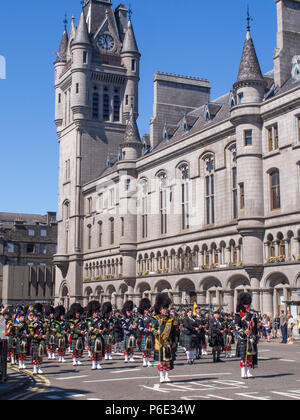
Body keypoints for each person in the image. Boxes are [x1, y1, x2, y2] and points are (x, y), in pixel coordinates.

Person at [152, 293, 178, 383]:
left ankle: (167, 375)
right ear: (160, 309)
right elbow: (153, 329)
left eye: (166, 308)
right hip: (160, 341)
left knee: (167, 360)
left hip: (168, 341)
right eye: (163, 308)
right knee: (161, 360)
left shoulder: (171, 319)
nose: (165, 310)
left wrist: (175, 341)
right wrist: (156, 332)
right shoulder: (156, 318)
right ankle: (161, 376)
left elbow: (174, 331)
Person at [235, 293, 259, 379]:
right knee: (243, 356)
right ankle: (243, 372)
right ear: (243, 305)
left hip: (251, 338)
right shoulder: (238, 314)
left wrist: (256, 336)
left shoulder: (253, 315)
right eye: (246, 304)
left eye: (248, 304)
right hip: (243, 338)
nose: (247, 306)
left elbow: (255, 327)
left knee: (250, 356)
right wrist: (244, 331)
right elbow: (237, 326)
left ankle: (248, 372)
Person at [87, 301, 105, 370]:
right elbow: (90, 328)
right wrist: (98, 331)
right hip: (93, 337)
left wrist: (104, 329)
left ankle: (99, 363)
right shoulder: (89, 320)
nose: (96, 313)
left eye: (97, 312)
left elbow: (103, 326)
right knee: (93, 351)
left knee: (99, 351)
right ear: (92, 313)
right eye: (95, 312)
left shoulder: (100, 319)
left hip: (99, 337)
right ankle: (94, 363)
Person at [137, 298, 154, 368]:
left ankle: (148, 360)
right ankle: (144, 361)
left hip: (150, 335)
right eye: (146, 310)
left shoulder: (151, 317)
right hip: (144, 334)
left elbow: (153, 325)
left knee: (149, 349)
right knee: (144, 349)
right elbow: (140, 327)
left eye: (148, 310)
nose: (147, 311)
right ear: (143, 310)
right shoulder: (141, 318)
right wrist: (147, 330)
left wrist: (152, 329)